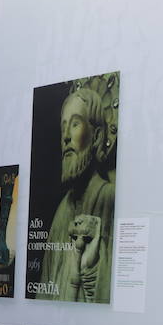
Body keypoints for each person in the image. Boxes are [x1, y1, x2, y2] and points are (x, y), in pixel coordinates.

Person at [40, 80, 115, 302]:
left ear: (98, 137)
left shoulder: (109, 198)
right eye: (63, 127)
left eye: (74, 124)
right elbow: (45, 287)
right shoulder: (62, 210)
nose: (65, 137)